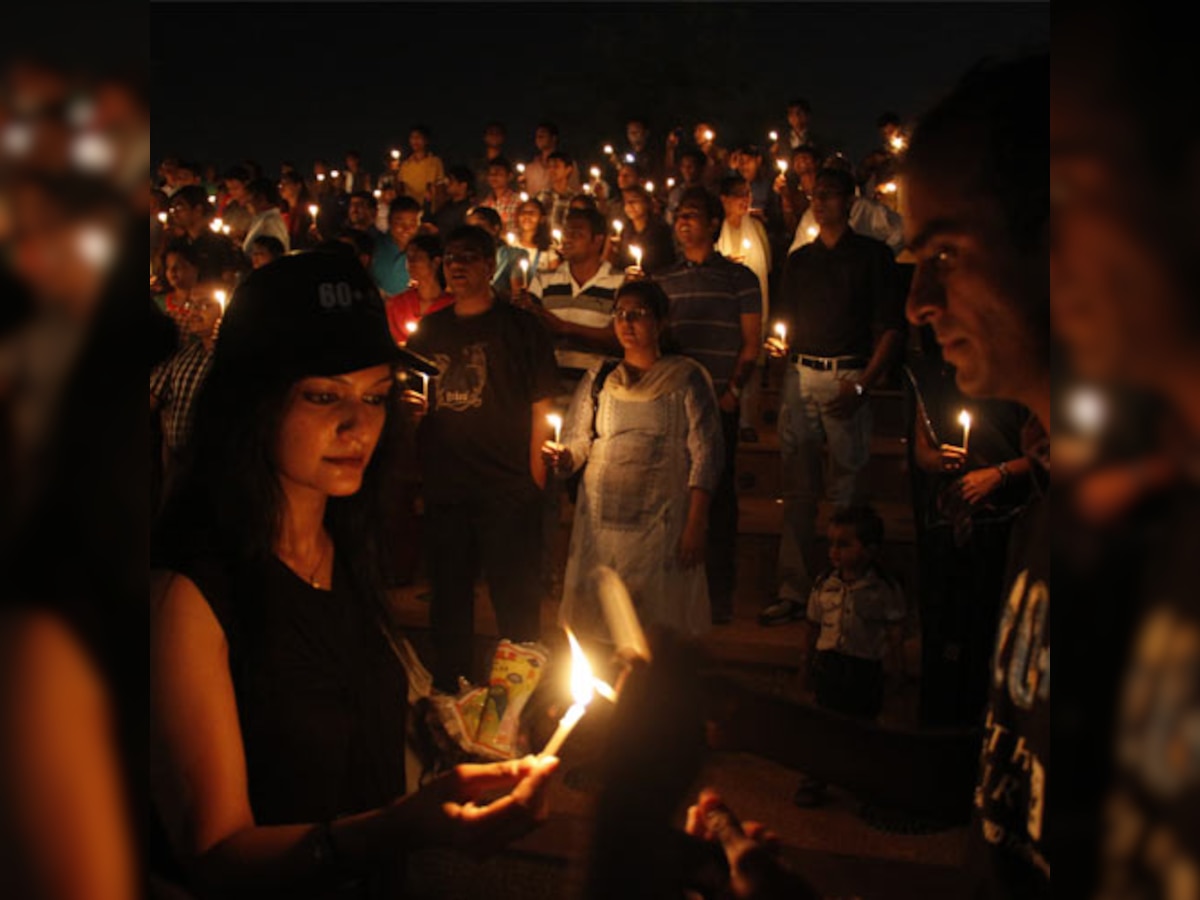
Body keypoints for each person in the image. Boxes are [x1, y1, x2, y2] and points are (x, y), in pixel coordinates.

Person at [150, 252, 559, 897]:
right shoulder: (192, 596)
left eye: (376, 397)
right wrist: (399, 828)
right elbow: (216, 853)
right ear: (251, 403)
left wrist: (466, 737)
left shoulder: (344, 549)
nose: (358, 425)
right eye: (322, 396)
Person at [405, 225, 560, 692]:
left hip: (507, 486)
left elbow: (542, 405)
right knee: (449, 601)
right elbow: (415, 401)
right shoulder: (431, 329)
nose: (456, 265)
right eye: (450, 257)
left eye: (469, 256)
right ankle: (452, 698)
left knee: (516, 602)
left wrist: (533, 480)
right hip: (448, 486)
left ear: (491, 264)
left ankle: (514, 706)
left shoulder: (521, 328)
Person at [759, 167, 904, 627]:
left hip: (849, 377)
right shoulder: (800, 260)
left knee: (847, 490)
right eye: (813, 195)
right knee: (797, 491)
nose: (818, 202)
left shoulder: (872, 256)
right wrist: (778, 354)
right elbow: (783, 324)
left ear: (850, 201)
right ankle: (795, 590)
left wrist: (865, 383)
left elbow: (891, 328)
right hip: (801, 375)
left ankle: (845, 590)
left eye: (828, 195)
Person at [543, 279, 722, 639]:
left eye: (637, 315)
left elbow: (706, 453)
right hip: (602, 525)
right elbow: (579, 441)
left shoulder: (687, 378)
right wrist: (564, 458)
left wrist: (695, 522)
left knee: (655, 626)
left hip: (662, 524)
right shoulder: (601, 378)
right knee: (600, 623)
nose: (626, 323)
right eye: (620, 314)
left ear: (660, 322)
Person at [655, 187, 762, 625]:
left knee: (717, 501)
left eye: (693, 215)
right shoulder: (663, 281)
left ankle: (719, 595)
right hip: (673, 406)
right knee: (672, 498)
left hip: (718, 403)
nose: (683, 222)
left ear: (715, 223)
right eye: (679, 215)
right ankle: (672, 592)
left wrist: (732, 391)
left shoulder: (740, 278)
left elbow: (752, 343)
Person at [791, 506, 906, 807]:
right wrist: (806, 664)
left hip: (863, 666)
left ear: (869, 550)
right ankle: (815, 778)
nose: (835, 552)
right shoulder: (824, 584)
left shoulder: (882, 589)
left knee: (862, 725)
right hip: (830, 663)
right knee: (823, 724)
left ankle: (863, 780)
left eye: (844, 544)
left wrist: (896, 665)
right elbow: (813, 626)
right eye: (831, 543)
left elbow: (894, 630)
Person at [523, 206, 624, 388]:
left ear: (597, 241)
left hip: (599, 389)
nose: (567, 239)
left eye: (577, 234)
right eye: (566, 233)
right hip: (551, 387)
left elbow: (618, 338)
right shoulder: (543, 280)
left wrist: (564, 328)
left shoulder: (620, 284)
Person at [150, 283, 223, 493]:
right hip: (177, 465)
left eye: (204, 306)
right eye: (192, 305)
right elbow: (154, 394)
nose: (194, 312)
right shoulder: (184, 355)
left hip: (214, 468)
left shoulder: (231, 356)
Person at [384, 233, 453, 343]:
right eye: (409, 258)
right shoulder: (397, 304)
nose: (411, 263)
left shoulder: (452, 306)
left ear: (436, 262)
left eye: (417, 257)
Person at [464, 205, 527, 300]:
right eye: (469, 229)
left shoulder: (514, 255)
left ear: (495, 229)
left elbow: (517, 294)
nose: (474, 233)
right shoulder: (463, 257)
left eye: (479, 227)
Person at [610, 184, 676, 276]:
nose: (629, 205)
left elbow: (666, 262)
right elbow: (621, 263)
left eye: (634, 201)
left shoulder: (660, 231)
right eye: (626, 202)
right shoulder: (626, 231)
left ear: (647, 203)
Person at [371, 196, 421, 297]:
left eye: (412, 223)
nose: (406, 229)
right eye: (399, 223)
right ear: (389, 221)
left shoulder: (422, 250)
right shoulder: (374, 247)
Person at [397, 124, 444, 210]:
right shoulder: (405, 165)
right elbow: (401, 188)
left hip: (429, 209)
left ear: (426, 140)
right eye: (412, 137)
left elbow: (440, 187)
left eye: (418, 137)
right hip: (410, 209)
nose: (415, 141)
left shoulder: (435, 162)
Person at [241, 178, 290, 258]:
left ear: (261, 198)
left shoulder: (270, 223)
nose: (245, 203)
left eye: (249, 198)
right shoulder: (261, 219)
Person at [513, 197, 560, 275]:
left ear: (542, 219)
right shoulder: (512, 245)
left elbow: (555, 275)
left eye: (532, 212)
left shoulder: (549, 248)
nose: (527, 216)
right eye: (524, 212)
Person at [429, 165, 474, 237]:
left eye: (451, 180)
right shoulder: (446, 206)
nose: (447, 183)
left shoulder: (468, 210)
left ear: (463, 185)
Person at [480, 156, 521, 232]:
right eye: (490, 173)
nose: (493, 176)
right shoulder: (484, 204)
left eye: (498, 173)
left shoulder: (519, 202)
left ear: (509, 176)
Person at [278, 170, 316, 251]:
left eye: (286, 184)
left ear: (298, 186)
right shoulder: (281, 211)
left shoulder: (307, 211)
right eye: (281, 185)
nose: (282, 188)